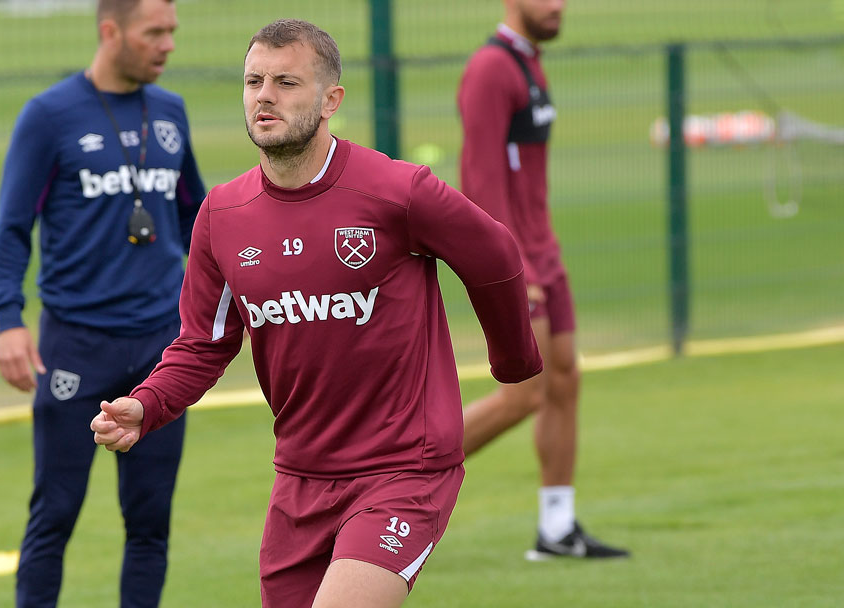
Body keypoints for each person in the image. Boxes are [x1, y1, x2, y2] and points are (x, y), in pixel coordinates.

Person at [91, 19, 542, 608]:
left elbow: (495, 253)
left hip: (403, 468)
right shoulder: (222, 215)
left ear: (331, 100)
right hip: (299, 477)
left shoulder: (396, 191)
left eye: (286, 82)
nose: (265, 96)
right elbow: (203, 344)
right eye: (254, 81)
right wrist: (146, 403)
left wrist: (513, 361)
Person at [0, 0, 205, 605]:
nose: (168, 44)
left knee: (150, 522)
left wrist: (234, 293)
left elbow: (195, 218)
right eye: (153, 32)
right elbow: (13, 228)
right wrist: (9, 318)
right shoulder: (49, 115)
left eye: (172, 32)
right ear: (111, 32)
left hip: (161, 347)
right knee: (54, 515)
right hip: (75, 345)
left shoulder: (170, 111)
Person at [457, 0, 630, 560]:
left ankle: (557, 530)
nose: (558, 6)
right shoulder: (490, 69)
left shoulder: (530, 62)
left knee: (564, 381)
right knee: (524, 395)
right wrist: (514, 269)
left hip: (544, 255)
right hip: (518, 262)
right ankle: (388, 476)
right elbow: (480, 181)